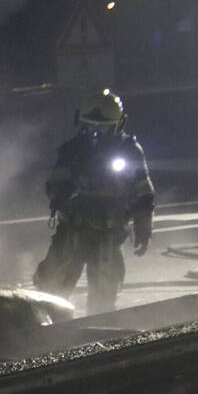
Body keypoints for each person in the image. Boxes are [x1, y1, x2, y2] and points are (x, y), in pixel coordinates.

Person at [33, 88, 155, 314]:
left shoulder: (129, 151)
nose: (96, 134)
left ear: (118, 125)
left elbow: (144, 195)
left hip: (109, 233)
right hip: (73, 230)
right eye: (90, 127)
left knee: (103, 297)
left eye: (104, 128)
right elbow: (54, 185)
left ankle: (99, 331)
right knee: (50, 289)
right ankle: (49, 331)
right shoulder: (72, 151)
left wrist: (143, 229)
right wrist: (66, 190)